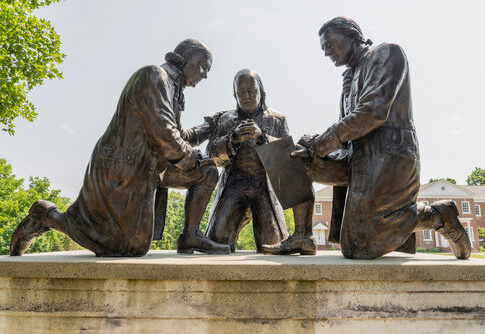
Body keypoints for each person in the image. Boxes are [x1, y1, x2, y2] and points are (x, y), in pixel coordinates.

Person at [262, 17, 471, 259]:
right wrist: (313, 146)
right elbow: (347, 130)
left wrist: (321, 144)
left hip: (388, 156)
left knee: (357, 247)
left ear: (352, 36)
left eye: (330, 44)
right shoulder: (349, 78)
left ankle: (438, 215)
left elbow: (373, 111)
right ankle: (302, 236)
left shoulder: (387, 53)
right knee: (286, 157)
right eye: (323, 49)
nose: (327, 53)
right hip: (354, 157)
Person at [10, 39, 230, 257]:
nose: (205, 74)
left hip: (150, 166)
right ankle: (46, 215)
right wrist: (194, 159)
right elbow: (164, 136)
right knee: (126, 246)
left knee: (207, 172)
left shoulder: (174, 90)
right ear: (183, 60)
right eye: (202, 67)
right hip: (123, 165)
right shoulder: (154, 76)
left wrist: (208, 128)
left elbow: (177, 137)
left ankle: (190, 235)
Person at [204, 69, 289, 252]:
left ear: (261, 91)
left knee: (272, 245)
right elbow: (210, 155)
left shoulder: (278, 120)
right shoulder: (226, 120)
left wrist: (263, 138)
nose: (247, 96)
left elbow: (288, 160)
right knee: (217, 244)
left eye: (252, 91)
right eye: (241, 93)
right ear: (235, 95)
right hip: (233, 185)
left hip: (264, 186)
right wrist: (231, 139)